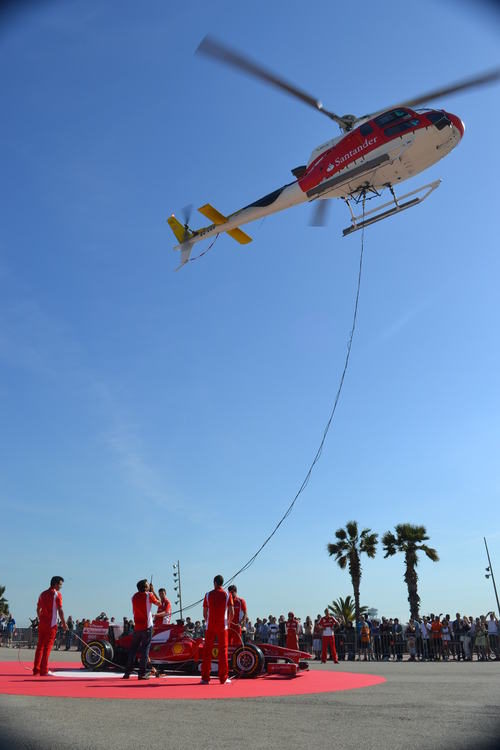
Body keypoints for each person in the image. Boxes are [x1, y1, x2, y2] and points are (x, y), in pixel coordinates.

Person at [122, 579, 160, 680]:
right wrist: (153, 591)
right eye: (147, 585)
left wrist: (150, 591)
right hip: (147, 627)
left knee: (133, 650)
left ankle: (127, 673)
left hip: (137, 627)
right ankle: (141, 673)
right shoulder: (149, 595)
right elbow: (159, 603)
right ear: (145, 587)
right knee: (145, 651)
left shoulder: (134, 597)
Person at [200, 574, 233, 685]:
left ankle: (205, 678)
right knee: (223, 651)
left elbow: (204, 613)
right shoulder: (227, 595)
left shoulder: (208, 595)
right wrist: (227, 622)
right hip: (222, 626)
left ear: (214, 583)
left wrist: (207, 620)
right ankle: (223, 678)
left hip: (210, 626)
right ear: (222, 583)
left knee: (207, 651)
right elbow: (232, 612)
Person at [33, 576, 67, 676]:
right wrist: (64, 623)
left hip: (42, 624)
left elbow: (38, 609)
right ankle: (44, 670)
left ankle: (36, 669)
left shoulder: (42, 594)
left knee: (40, 647)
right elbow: (60, 610)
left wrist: (40, 619)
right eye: (60, 584)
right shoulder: (57, 594)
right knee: (47, 647)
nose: (61, 587)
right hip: (51, 625)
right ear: (55, 584)